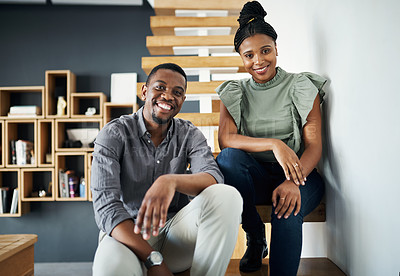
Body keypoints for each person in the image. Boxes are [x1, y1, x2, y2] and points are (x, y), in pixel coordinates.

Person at [91, 63, 243, 276]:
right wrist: (154, 260)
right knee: (111, 270)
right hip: (126, 237)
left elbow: (212, 178)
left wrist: (170, 181)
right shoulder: (114, 134)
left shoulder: (189, 134)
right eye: (160, 88)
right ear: (145, 91)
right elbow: (107, 208)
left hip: (175, 235)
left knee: (227, 195)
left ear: (182, 100)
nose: (168, 96)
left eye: (177, 92)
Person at [215, 1, 327, 275]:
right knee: (228, 158)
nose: (258, 61)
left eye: (266, 51)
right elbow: (226, 140)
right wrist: (274, 144)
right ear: (241, 58)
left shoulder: (300, 86)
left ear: (276, 49)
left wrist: (292, 180)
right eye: (249, 55)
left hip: (301, 176)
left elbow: (314, 145)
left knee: (287, 211)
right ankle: (254, 236)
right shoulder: (235, 92)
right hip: (255, 180)